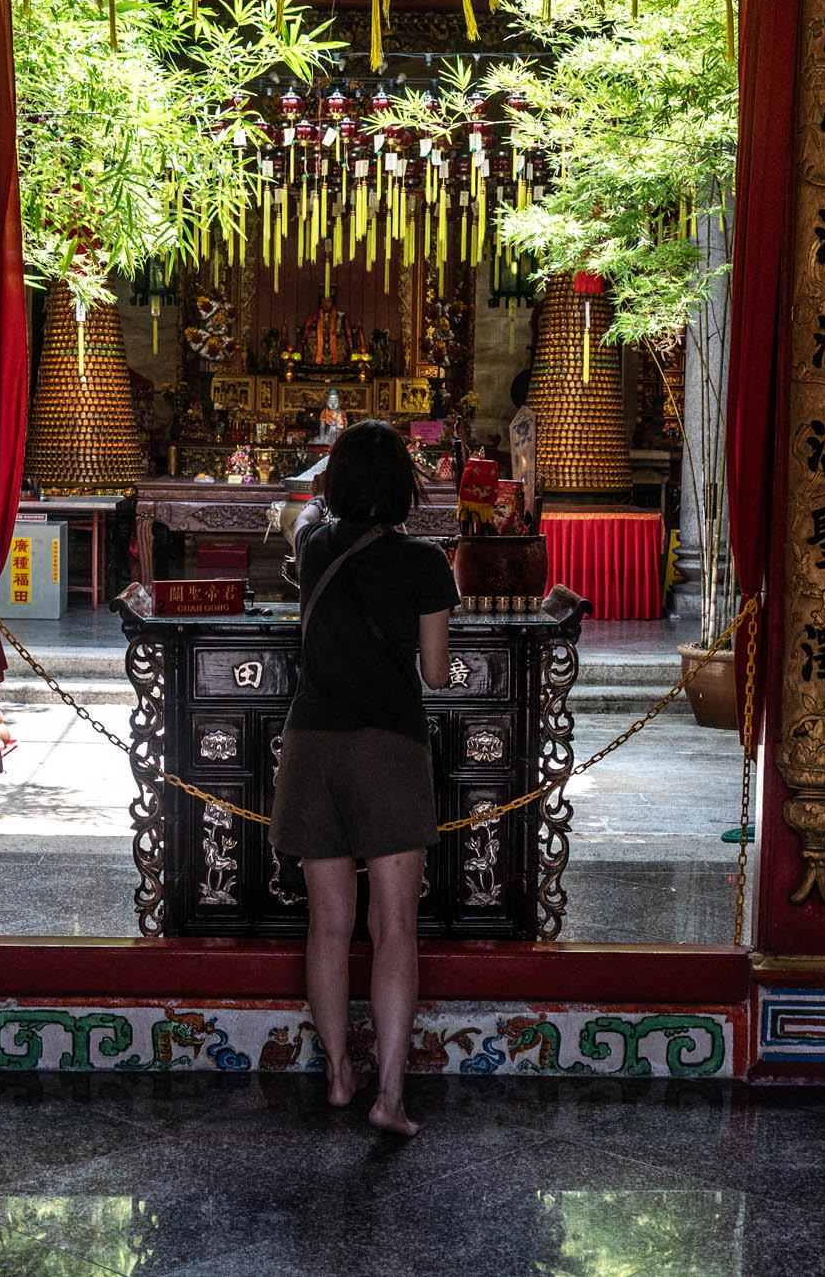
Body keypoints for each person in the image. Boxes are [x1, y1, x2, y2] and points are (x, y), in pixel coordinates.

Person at [271, 420, 457, 1137]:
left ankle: (338, 1076)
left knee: (328, 924)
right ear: (404, 486)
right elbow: (435, 674)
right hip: (388, 748)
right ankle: (390, 1096)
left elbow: (304, 517)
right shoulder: (425, 561)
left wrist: (323, 497)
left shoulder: (314, 545)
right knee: (394, 926)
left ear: (338, 482)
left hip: (312, 745)